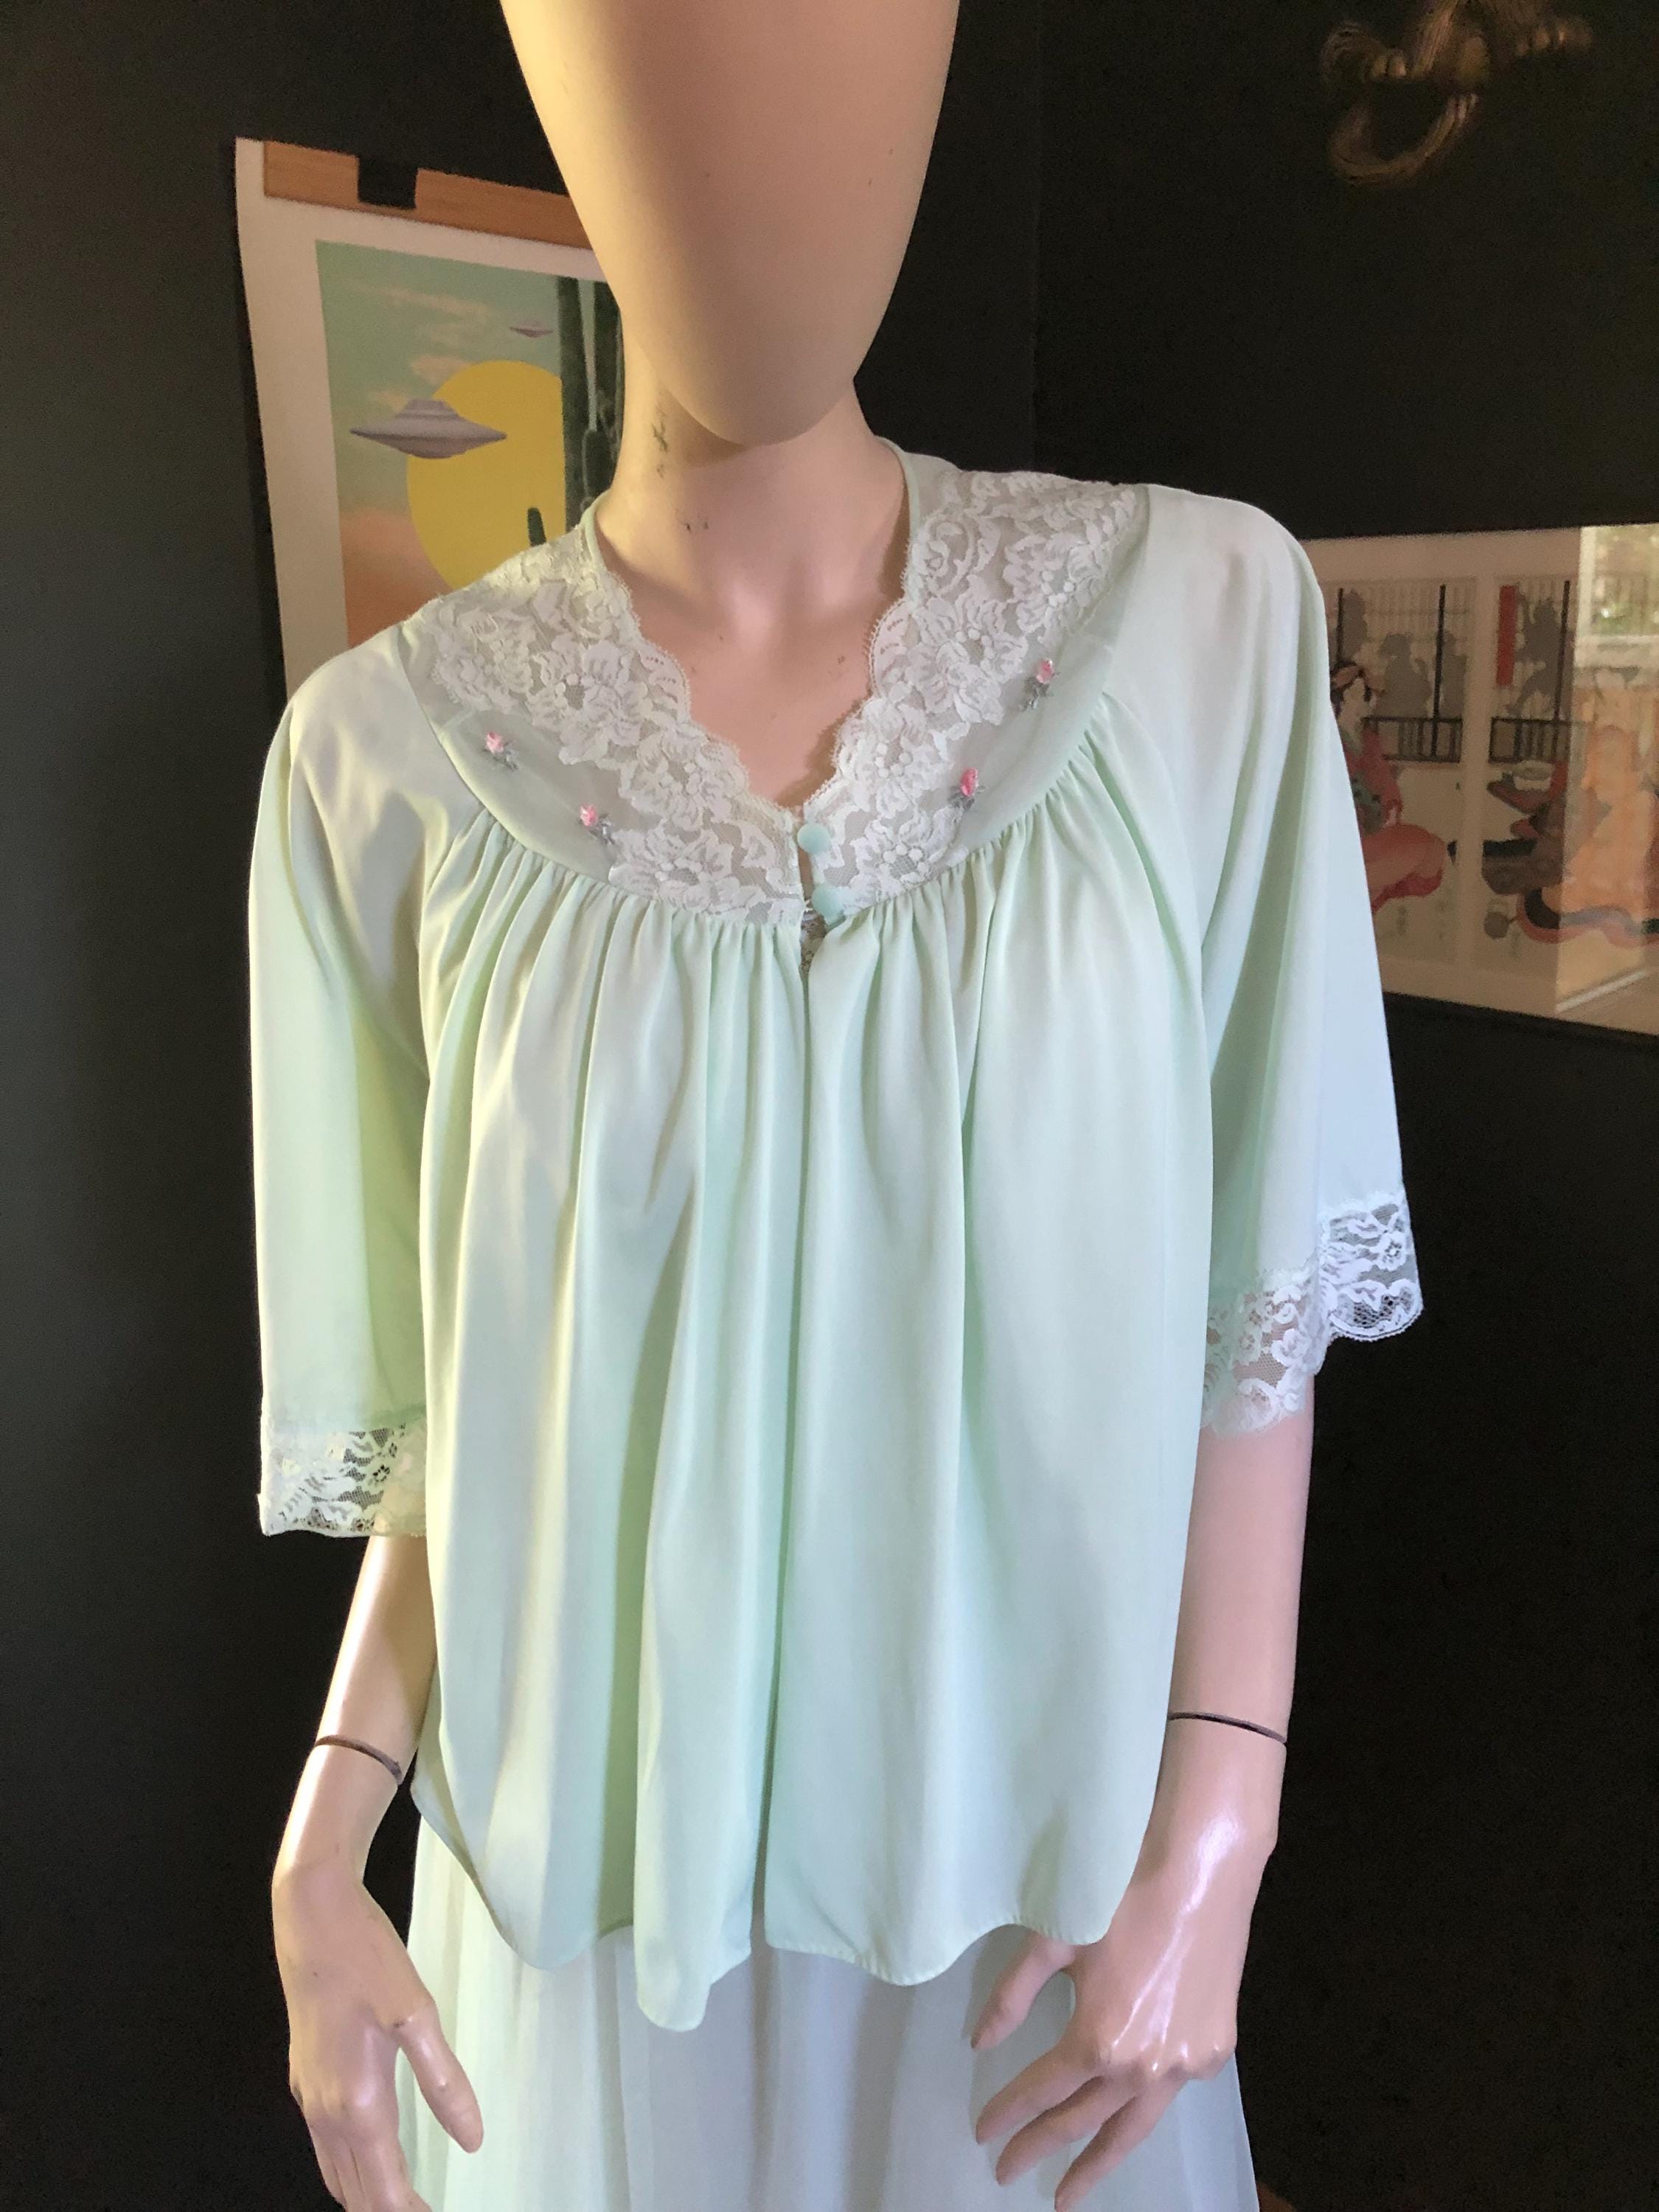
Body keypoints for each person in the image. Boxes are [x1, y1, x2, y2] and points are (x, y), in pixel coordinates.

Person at [250, 4, 1424, 2206]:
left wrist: (1223, 1821)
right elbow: (466, 1425)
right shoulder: (372, 761)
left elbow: (1253, 1318)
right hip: (590, 1940)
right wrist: (329, 1828)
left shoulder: (1202, 628)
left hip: (1042, 1922)